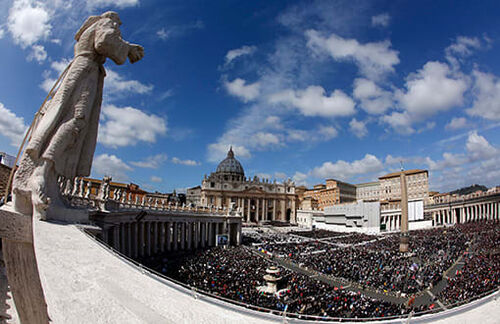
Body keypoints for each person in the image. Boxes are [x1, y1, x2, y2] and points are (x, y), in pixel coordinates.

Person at [11, 12, 144, 219]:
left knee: (63, 116)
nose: (118, 26)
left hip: (82, 69)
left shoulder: (91, 28)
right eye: (119, 24)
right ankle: (42, 172)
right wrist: (128, 49)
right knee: (76, 120)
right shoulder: (107, 22)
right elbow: (104, 41)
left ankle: (46, 174)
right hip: (86, 71)